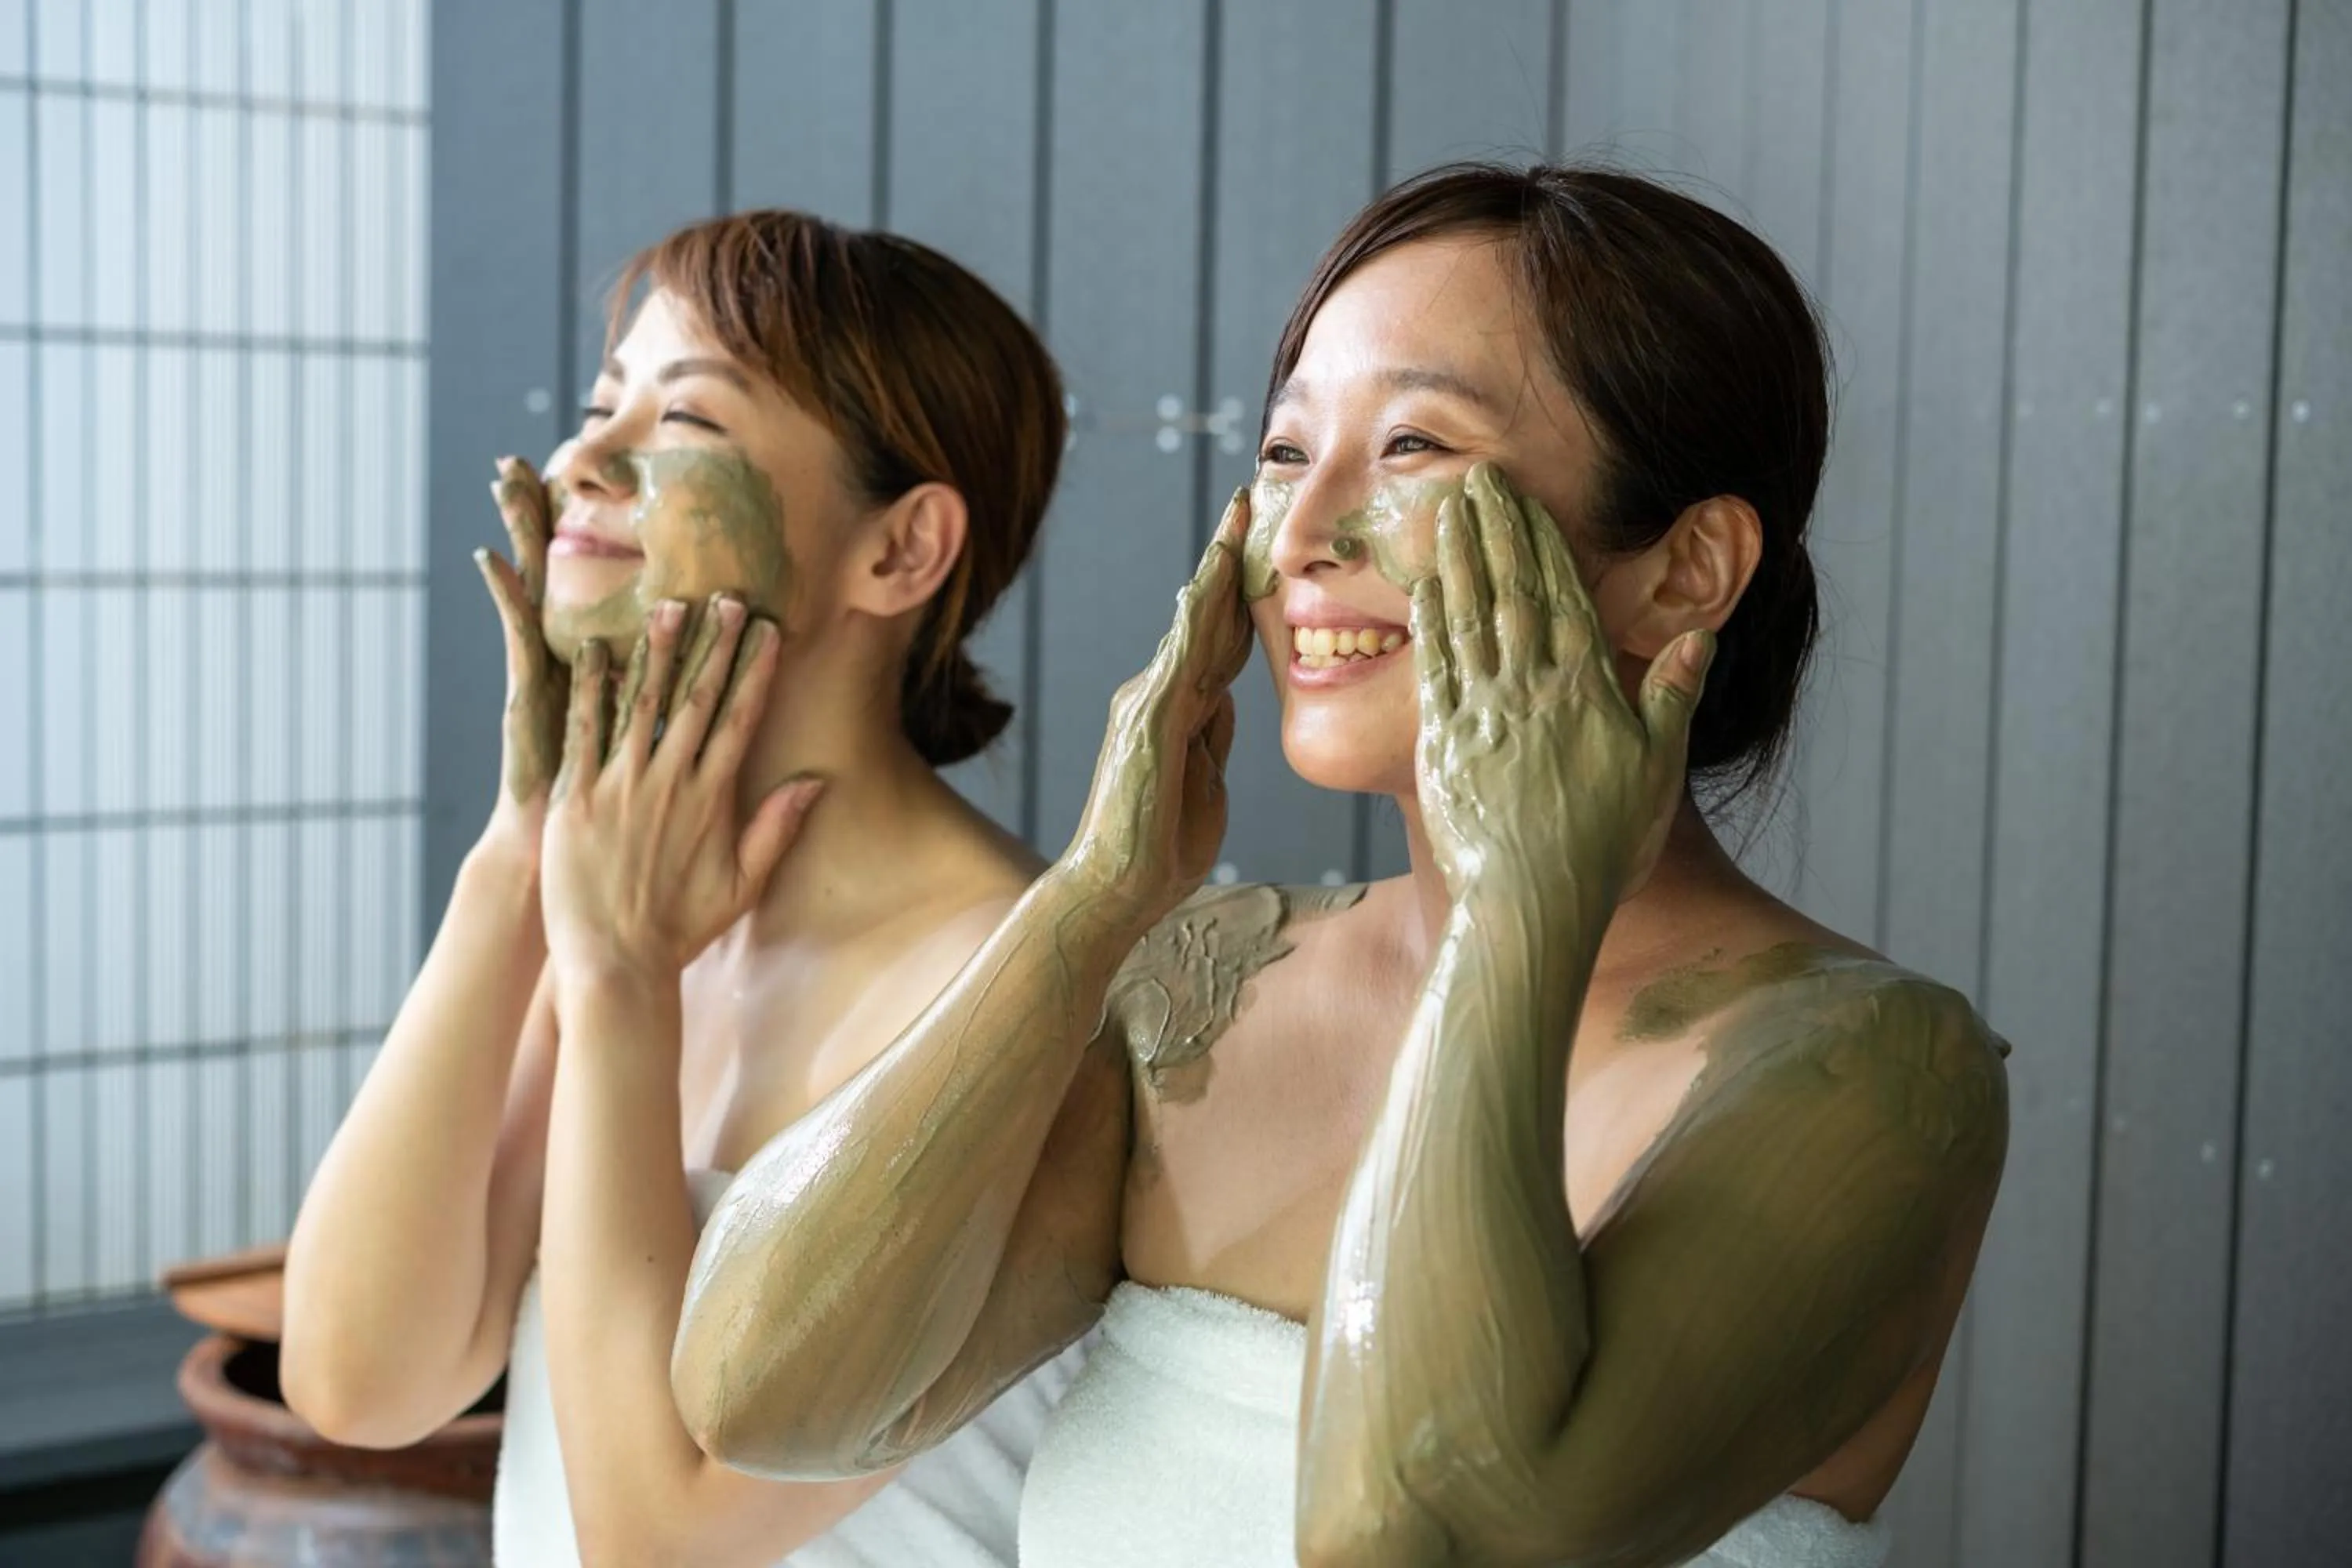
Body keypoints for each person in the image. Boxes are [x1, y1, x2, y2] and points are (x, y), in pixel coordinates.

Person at [668, 163, 2011, 1567]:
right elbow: (761, 1392)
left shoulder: (1878, 1076)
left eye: (1413, 445)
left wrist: (1517, 916)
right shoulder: (1208, 994)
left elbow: (1412, 1522)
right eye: (1287, 452)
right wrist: (1087, 905)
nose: (1301, 538)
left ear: (1686, 570)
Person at [280, 209, 1081, 1567]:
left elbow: (657, 1540)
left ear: (901, 550)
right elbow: (361, 1384)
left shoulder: (1014, 986)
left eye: (687, 422)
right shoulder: (619, 911)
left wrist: (620, 985)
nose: (583, 462)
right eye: (603, 407)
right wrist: (518, 854)